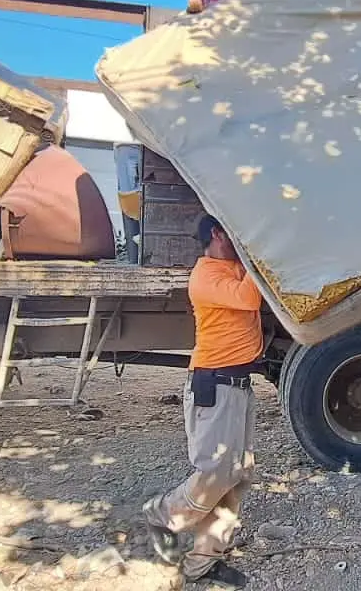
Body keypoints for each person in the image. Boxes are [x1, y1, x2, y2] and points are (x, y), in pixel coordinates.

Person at [141, 216, 264, 588]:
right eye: (234, 233)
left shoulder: (229, 268)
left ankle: (204, 562)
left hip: (238, 386)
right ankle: (163, 514)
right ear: (216, 233)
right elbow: (247, 297)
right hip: (215, 385)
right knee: (215, 473)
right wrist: (253, 257)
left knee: (236, 477)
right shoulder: (206, 275)